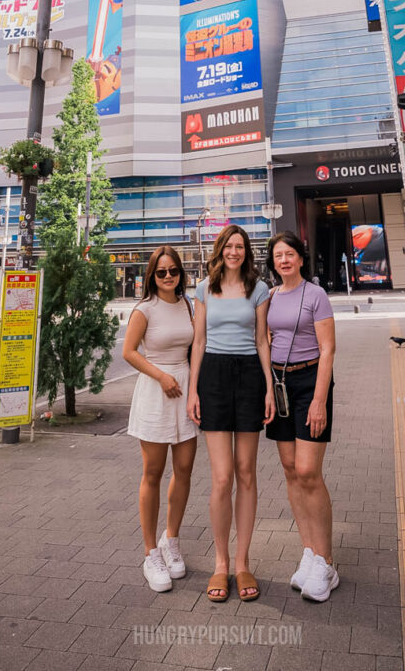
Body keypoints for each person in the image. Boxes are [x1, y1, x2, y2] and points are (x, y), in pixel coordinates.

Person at [187, 224, 274, 602]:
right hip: (214, 378)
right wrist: (193, 389)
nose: (234, 252)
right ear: (220, 249)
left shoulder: (259, 289)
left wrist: (270, 388)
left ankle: (243, 562)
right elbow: (199, 340)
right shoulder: (205, 288)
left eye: (240, 247)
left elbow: (262, 340)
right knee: (222, 478)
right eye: (229, 246)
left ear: (246, 252)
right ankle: (220, 564)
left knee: (246, 472)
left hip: (251, 375)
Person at [266, 231, 338, 602]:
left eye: (290, 253)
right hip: (280, 385)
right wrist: (266, 389)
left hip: (311, 382)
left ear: (300, 258)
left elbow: (328, 349)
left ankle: (326, 561)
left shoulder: (316, 295)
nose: (284, 260)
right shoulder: (270, 297)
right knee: (291, 469)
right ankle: (309, 551)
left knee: (309, 471)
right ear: (272, 261)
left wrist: (319, 400)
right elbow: (265, 344)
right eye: (278, 255)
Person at [123, 246, 198, 593]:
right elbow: (129, 352)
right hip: (156, 392)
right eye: (161, 272)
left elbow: (195, 348)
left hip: (184, 391)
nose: (168, 277)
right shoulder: (145, 309)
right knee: (152, 473)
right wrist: (161, 376)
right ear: (152, 276)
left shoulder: (188, 305)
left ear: (181, 273)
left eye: (173, 271)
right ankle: (150, 551)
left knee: (184, 470)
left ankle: (172, 540)